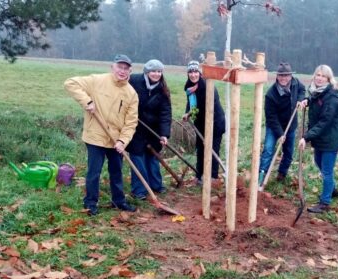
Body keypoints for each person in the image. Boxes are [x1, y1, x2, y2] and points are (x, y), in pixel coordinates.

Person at [64, 54, 139, 216]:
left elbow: (131, 122)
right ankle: (90, 203)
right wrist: (87, 101)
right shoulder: (97, 80)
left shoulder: (131, 94)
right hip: (95, 136)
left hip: (116, 141)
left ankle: (119, 201)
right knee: (94, 172)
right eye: (120, 67)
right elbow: (70, 83)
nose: (122, 71)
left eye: (126, 68)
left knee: (117, 171)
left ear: (130, 71)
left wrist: (122, 141)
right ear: (112, 67)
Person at [298, 65, 338, 214]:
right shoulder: (316, 92)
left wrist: (305, 137)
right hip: (321, 138)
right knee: (319, 163)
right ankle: (333, 189)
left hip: (330, 138)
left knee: (326, 171)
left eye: (323, 76)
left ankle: (325, 202)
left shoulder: (332, 98)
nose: (319, 78)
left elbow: (324, 122)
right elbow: (314, 100)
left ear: (328, 79)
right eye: (317, 75)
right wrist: (306, 100)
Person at [125, 59, 172, 199]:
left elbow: (165, 113)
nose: (156, 74)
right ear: (146, 71)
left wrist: (164, 134)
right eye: (153, 71)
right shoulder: (133, 81)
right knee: (137, 157)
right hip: (135, 127)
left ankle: (156, 185)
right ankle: (139, 190)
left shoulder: (163, 88)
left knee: (152, 157)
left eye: (159, 71)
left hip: (154, 130)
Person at [258, 62, 306, 184]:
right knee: (268, 150)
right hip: (274, 128)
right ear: (277, 76)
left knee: (289, 152)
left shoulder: (295, 83)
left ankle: (282, 173)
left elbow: (302, 89)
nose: (284, 78)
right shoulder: (271, 94)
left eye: (286, 75)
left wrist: (300, 100)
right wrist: (280, 134)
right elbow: (271, 117)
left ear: (290, 76)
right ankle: (261, 176)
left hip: (290, 126)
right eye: (281, 75)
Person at [182, 60, 226, 184]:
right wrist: (187, 112)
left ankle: (213, 177)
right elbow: (190, 103)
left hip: (215, 122)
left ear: (200, 73)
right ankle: (199, 175)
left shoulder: (207, 86)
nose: (193, 75)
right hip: (201, 123)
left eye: (196, 71)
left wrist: (190, 113)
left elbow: (203, 106)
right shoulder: (190, 88)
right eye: (190, 72)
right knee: (200, 149)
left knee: (213, 149)